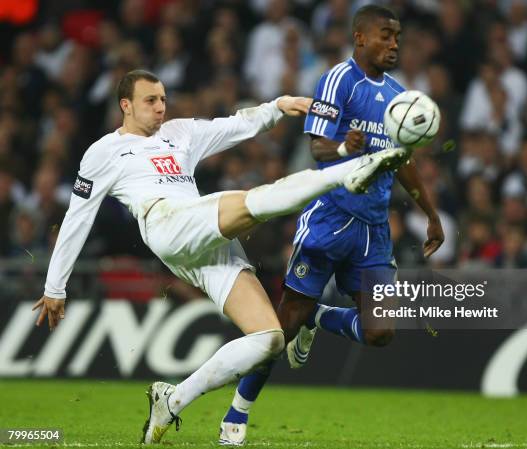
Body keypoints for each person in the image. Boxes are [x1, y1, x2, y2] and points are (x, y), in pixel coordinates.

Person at [30, 69, 410, 444]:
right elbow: (77, 217)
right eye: (151, 100)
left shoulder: (180, 133)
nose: (161, 107)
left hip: (203, 240)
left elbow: (236, 126)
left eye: (163, 99)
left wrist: (279, 105)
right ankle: (346, 172)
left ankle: (172, 400)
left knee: (270, 340)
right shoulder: (102, 152)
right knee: (254, 203)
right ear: (125, 105)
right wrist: (55, 286)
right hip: (166, 222)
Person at [220, 5, 445, 446]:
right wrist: (345, 145)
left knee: (380, 333)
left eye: (397, 36)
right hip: (329, 218)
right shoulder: (338, 80)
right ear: (360, 38)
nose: (394, 44)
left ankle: (319, 320)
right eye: (386, 35)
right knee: (282, 329)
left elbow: (404, 163)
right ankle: (236, 414)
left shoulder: (400, 98)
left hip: (374, 231)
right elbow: (318, 149)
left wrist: (431, 214)